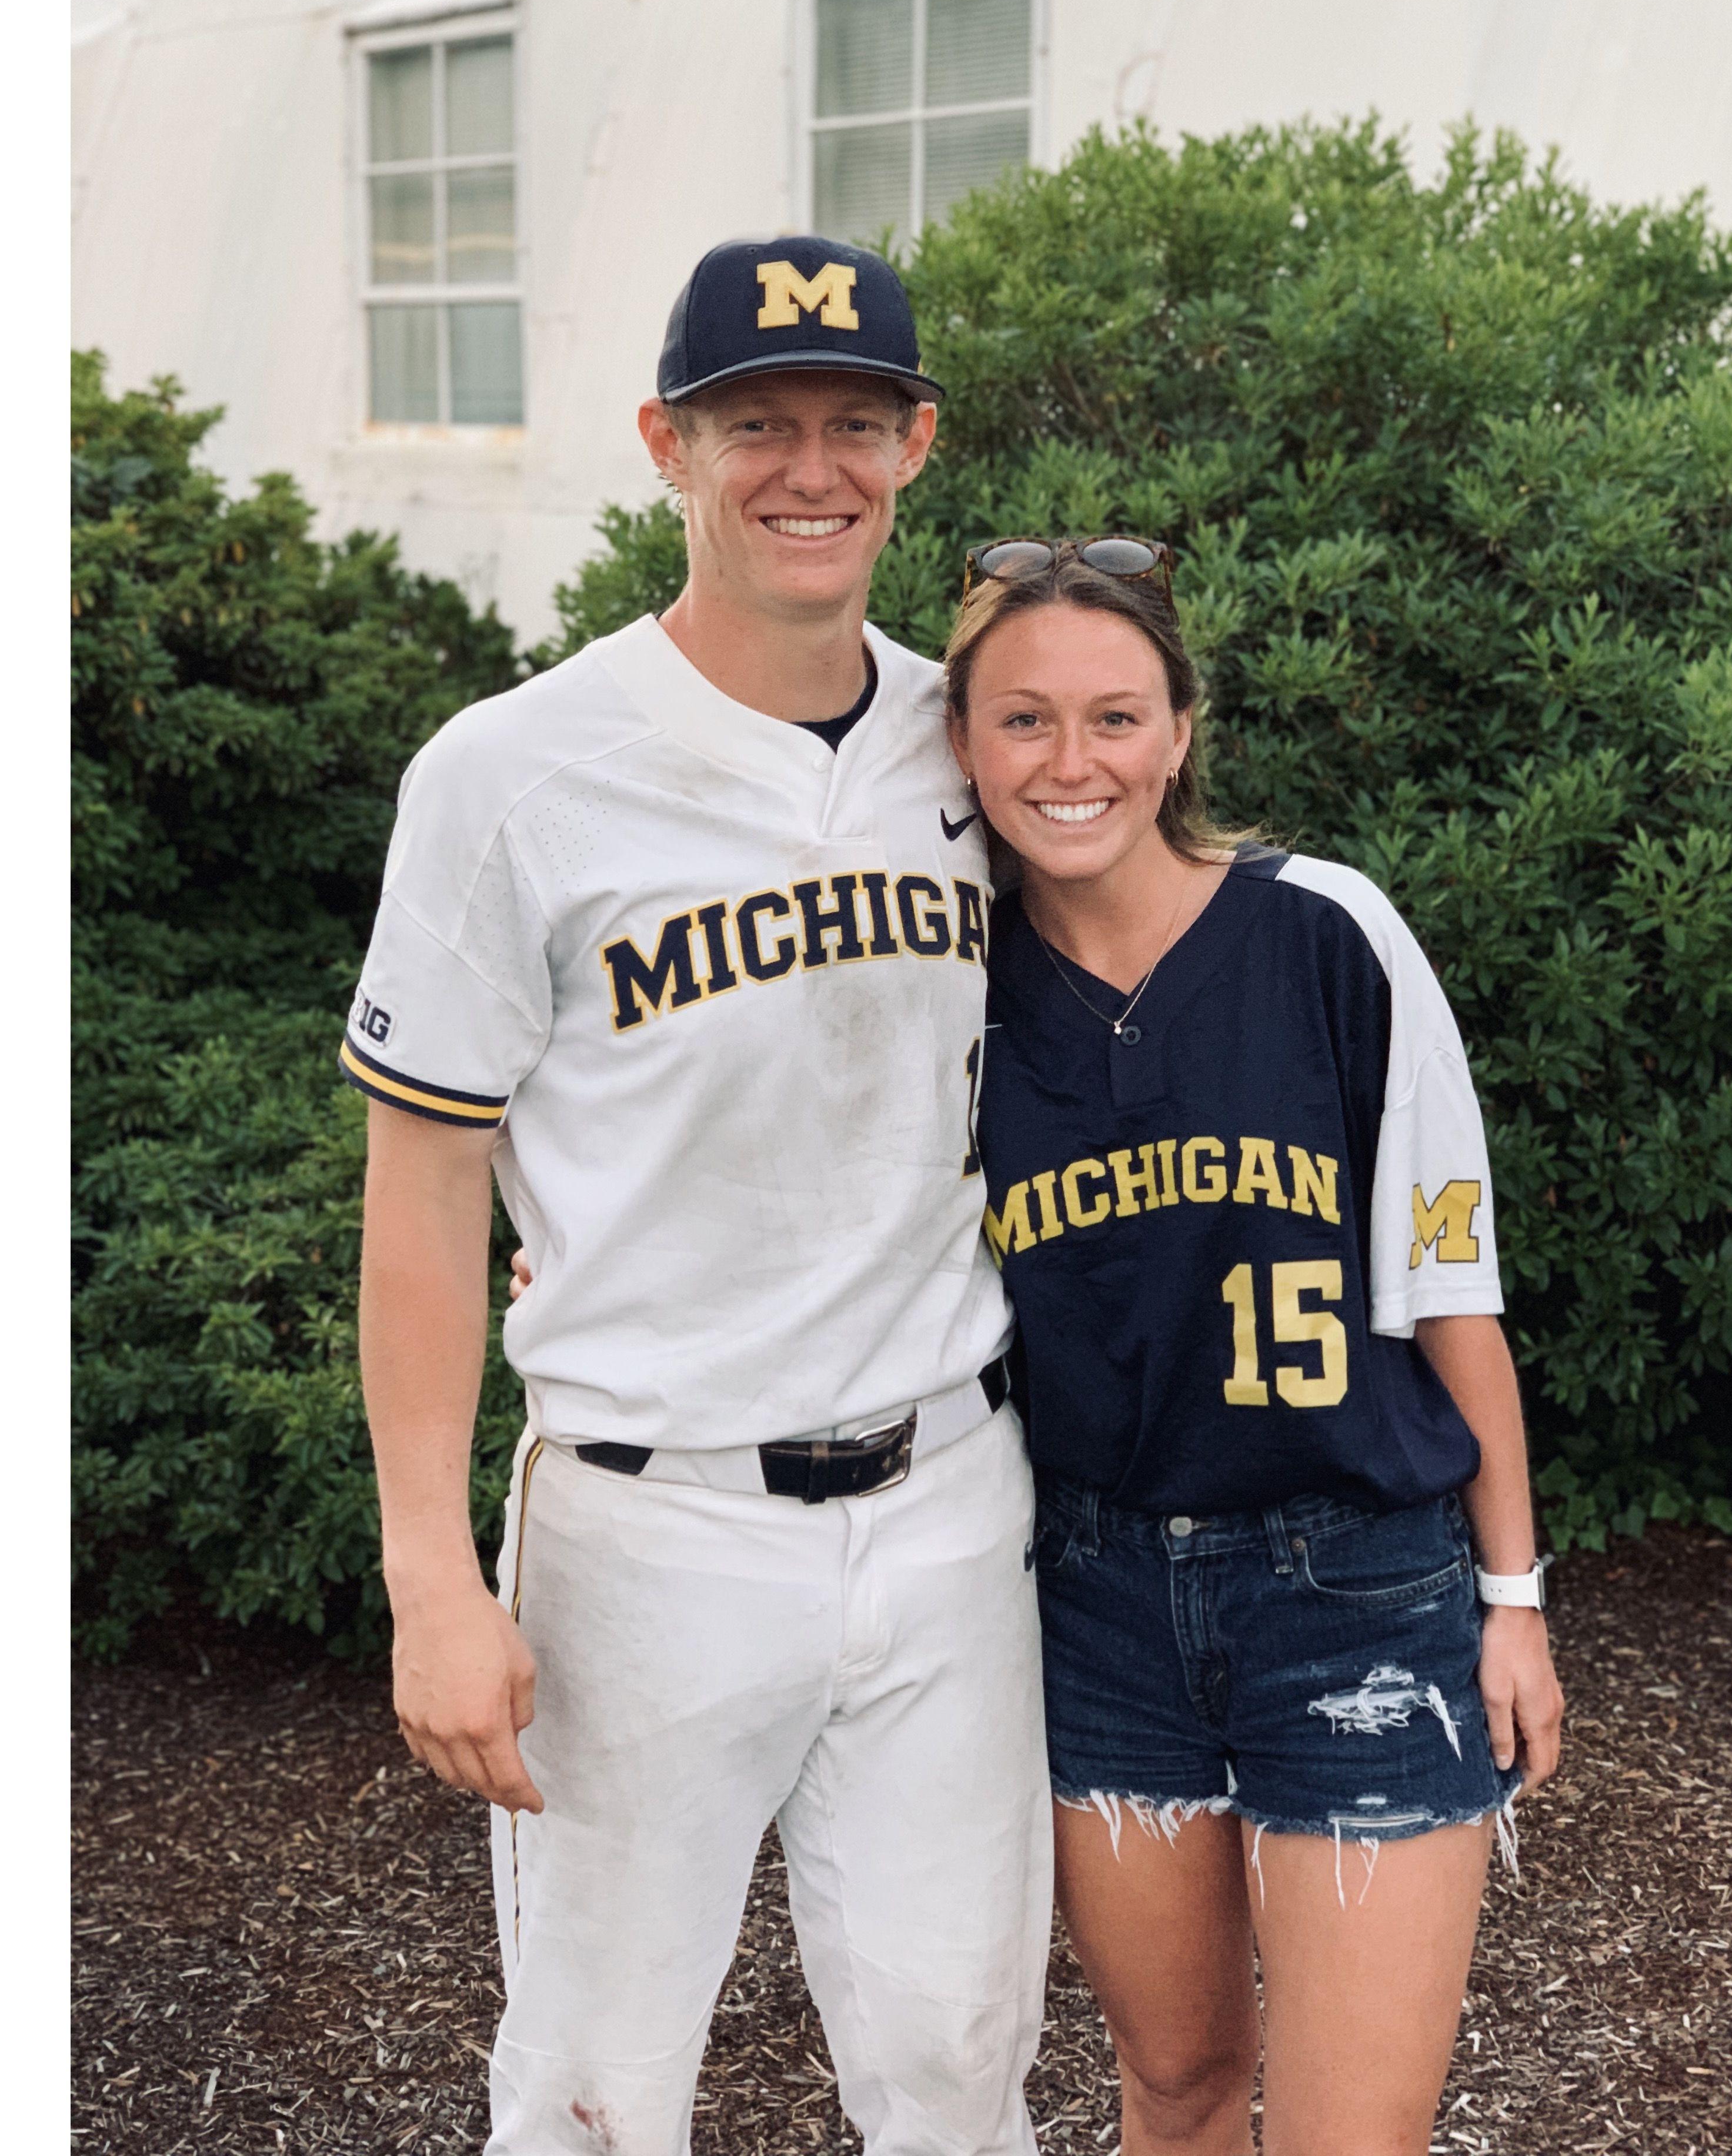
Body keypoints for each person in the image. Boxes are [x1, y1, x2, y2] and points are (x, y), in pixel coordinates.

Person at [345, 236, 1049, 2156]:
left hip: (948, 1506)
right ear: (668, 444)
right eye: (754, 424)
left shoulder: (977, 740)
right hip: (651, 1528)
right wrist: (426, 1573)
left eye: (852, 421)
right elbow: (426, 1196)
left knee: (955, 2068)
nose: (806, 467)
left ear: (917, 445)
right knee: (594, 2097)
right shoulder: (509, 774)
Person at [944, 536, 1566, 2156]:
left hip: (1353, 1585)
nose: (1072, 762)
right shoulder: (948, 989)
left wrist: (1515, 1604)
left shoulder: (1326, 934)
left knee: (1351, 2136)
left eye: (1115, 715)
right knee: (1176, 2088)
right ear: (960, 742)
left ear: (1180, 730)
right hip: (1094, 1602)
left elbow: (1451, 1296)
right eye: (1022, 721)